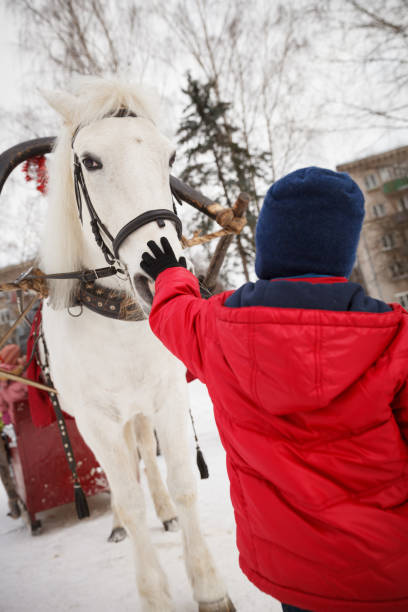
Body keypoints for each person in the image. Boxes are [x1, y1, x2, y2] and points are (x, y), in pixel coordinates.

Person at [140, 167, 408, 612]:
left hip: (293, 572)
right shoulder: (396, 338)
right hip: (390, 568)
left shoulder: (217, 331)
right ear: (342, 252)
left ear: (270, 247)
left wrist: (170, 274)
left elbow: (172, 315)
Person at [0, 344, 27, 519]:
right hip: (11, 423)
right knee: (5, 466)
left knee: (7, 466)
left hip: (11, 425)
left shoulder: (4, 376)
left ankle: (15, 501)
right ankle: (14, 501)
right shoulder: (16, 372)